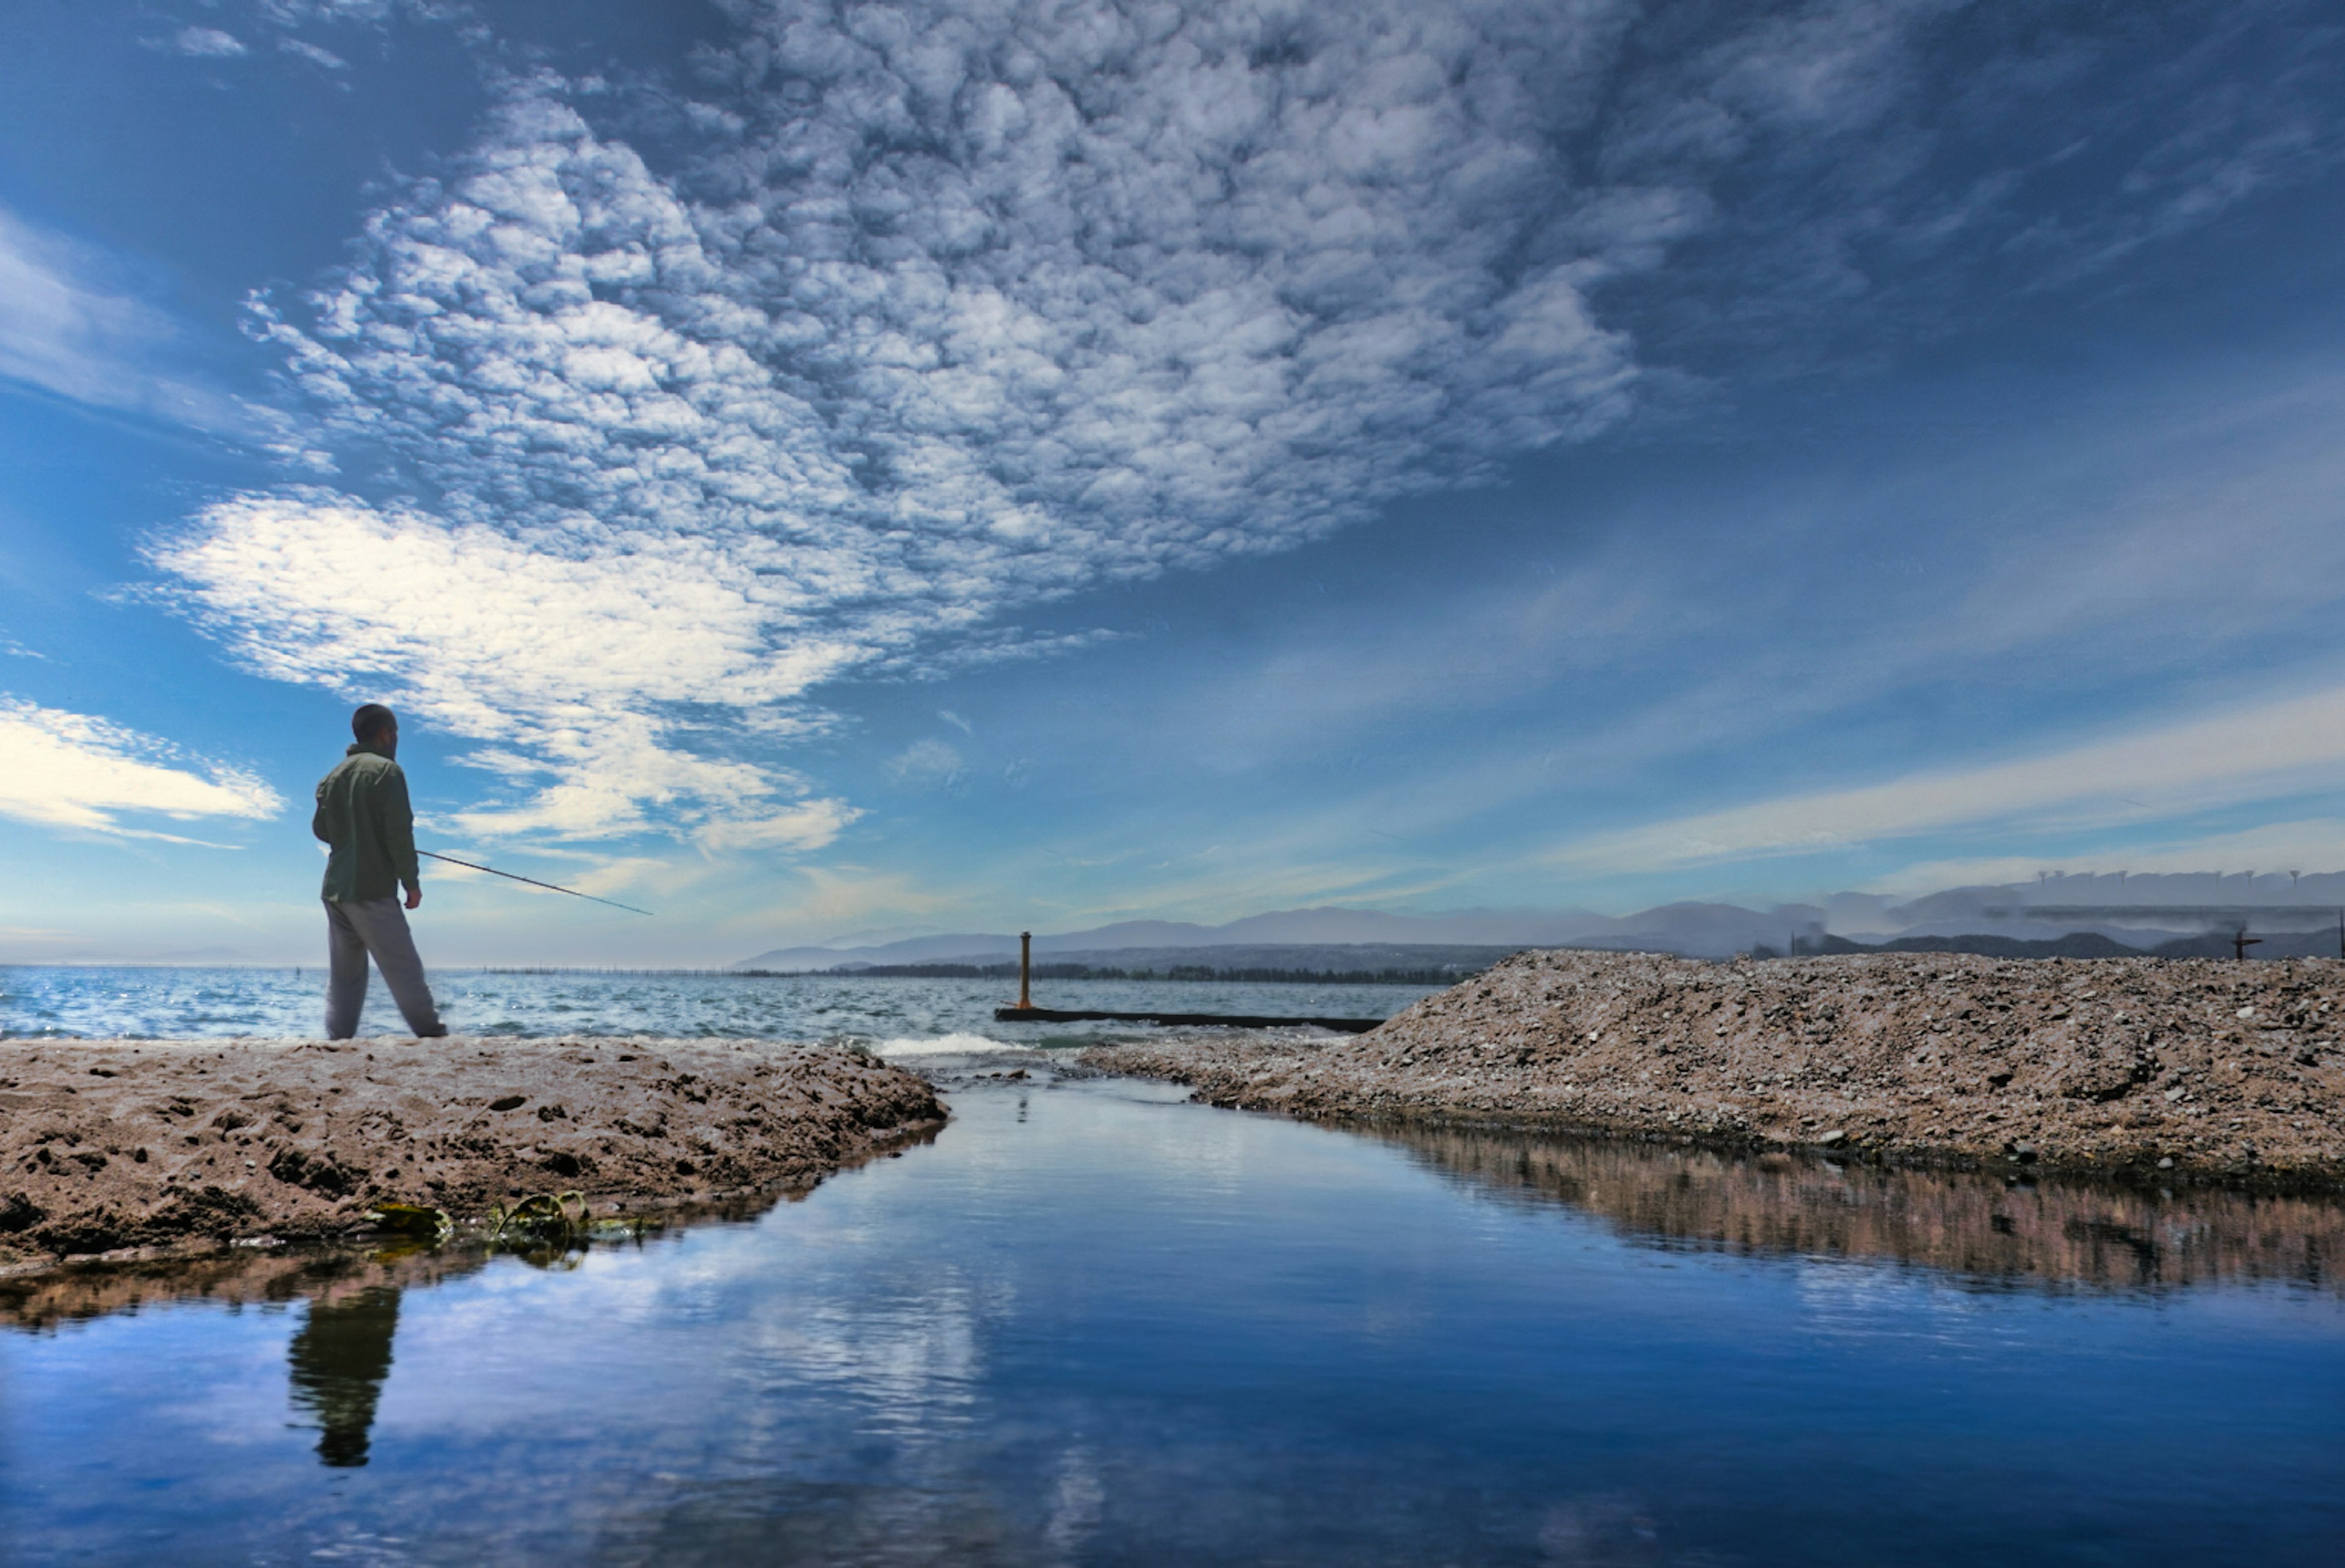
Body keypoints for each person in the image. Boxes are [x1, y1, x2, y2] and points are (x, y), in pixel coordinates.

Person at [313, 703, 446, 1039]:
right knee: (404, 969)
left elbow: (322, 831)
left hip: (336, 891)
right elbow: (399, 834)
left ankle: (337, 1041)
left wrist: (354, 829)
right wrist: (411, 884)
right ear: (386, 734)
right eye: (396, 733)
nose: (397, 740)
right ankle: (431, 1034)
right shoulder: (388, 772)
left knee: (346, 976)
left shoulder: (331, 778)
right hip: (371, 889)